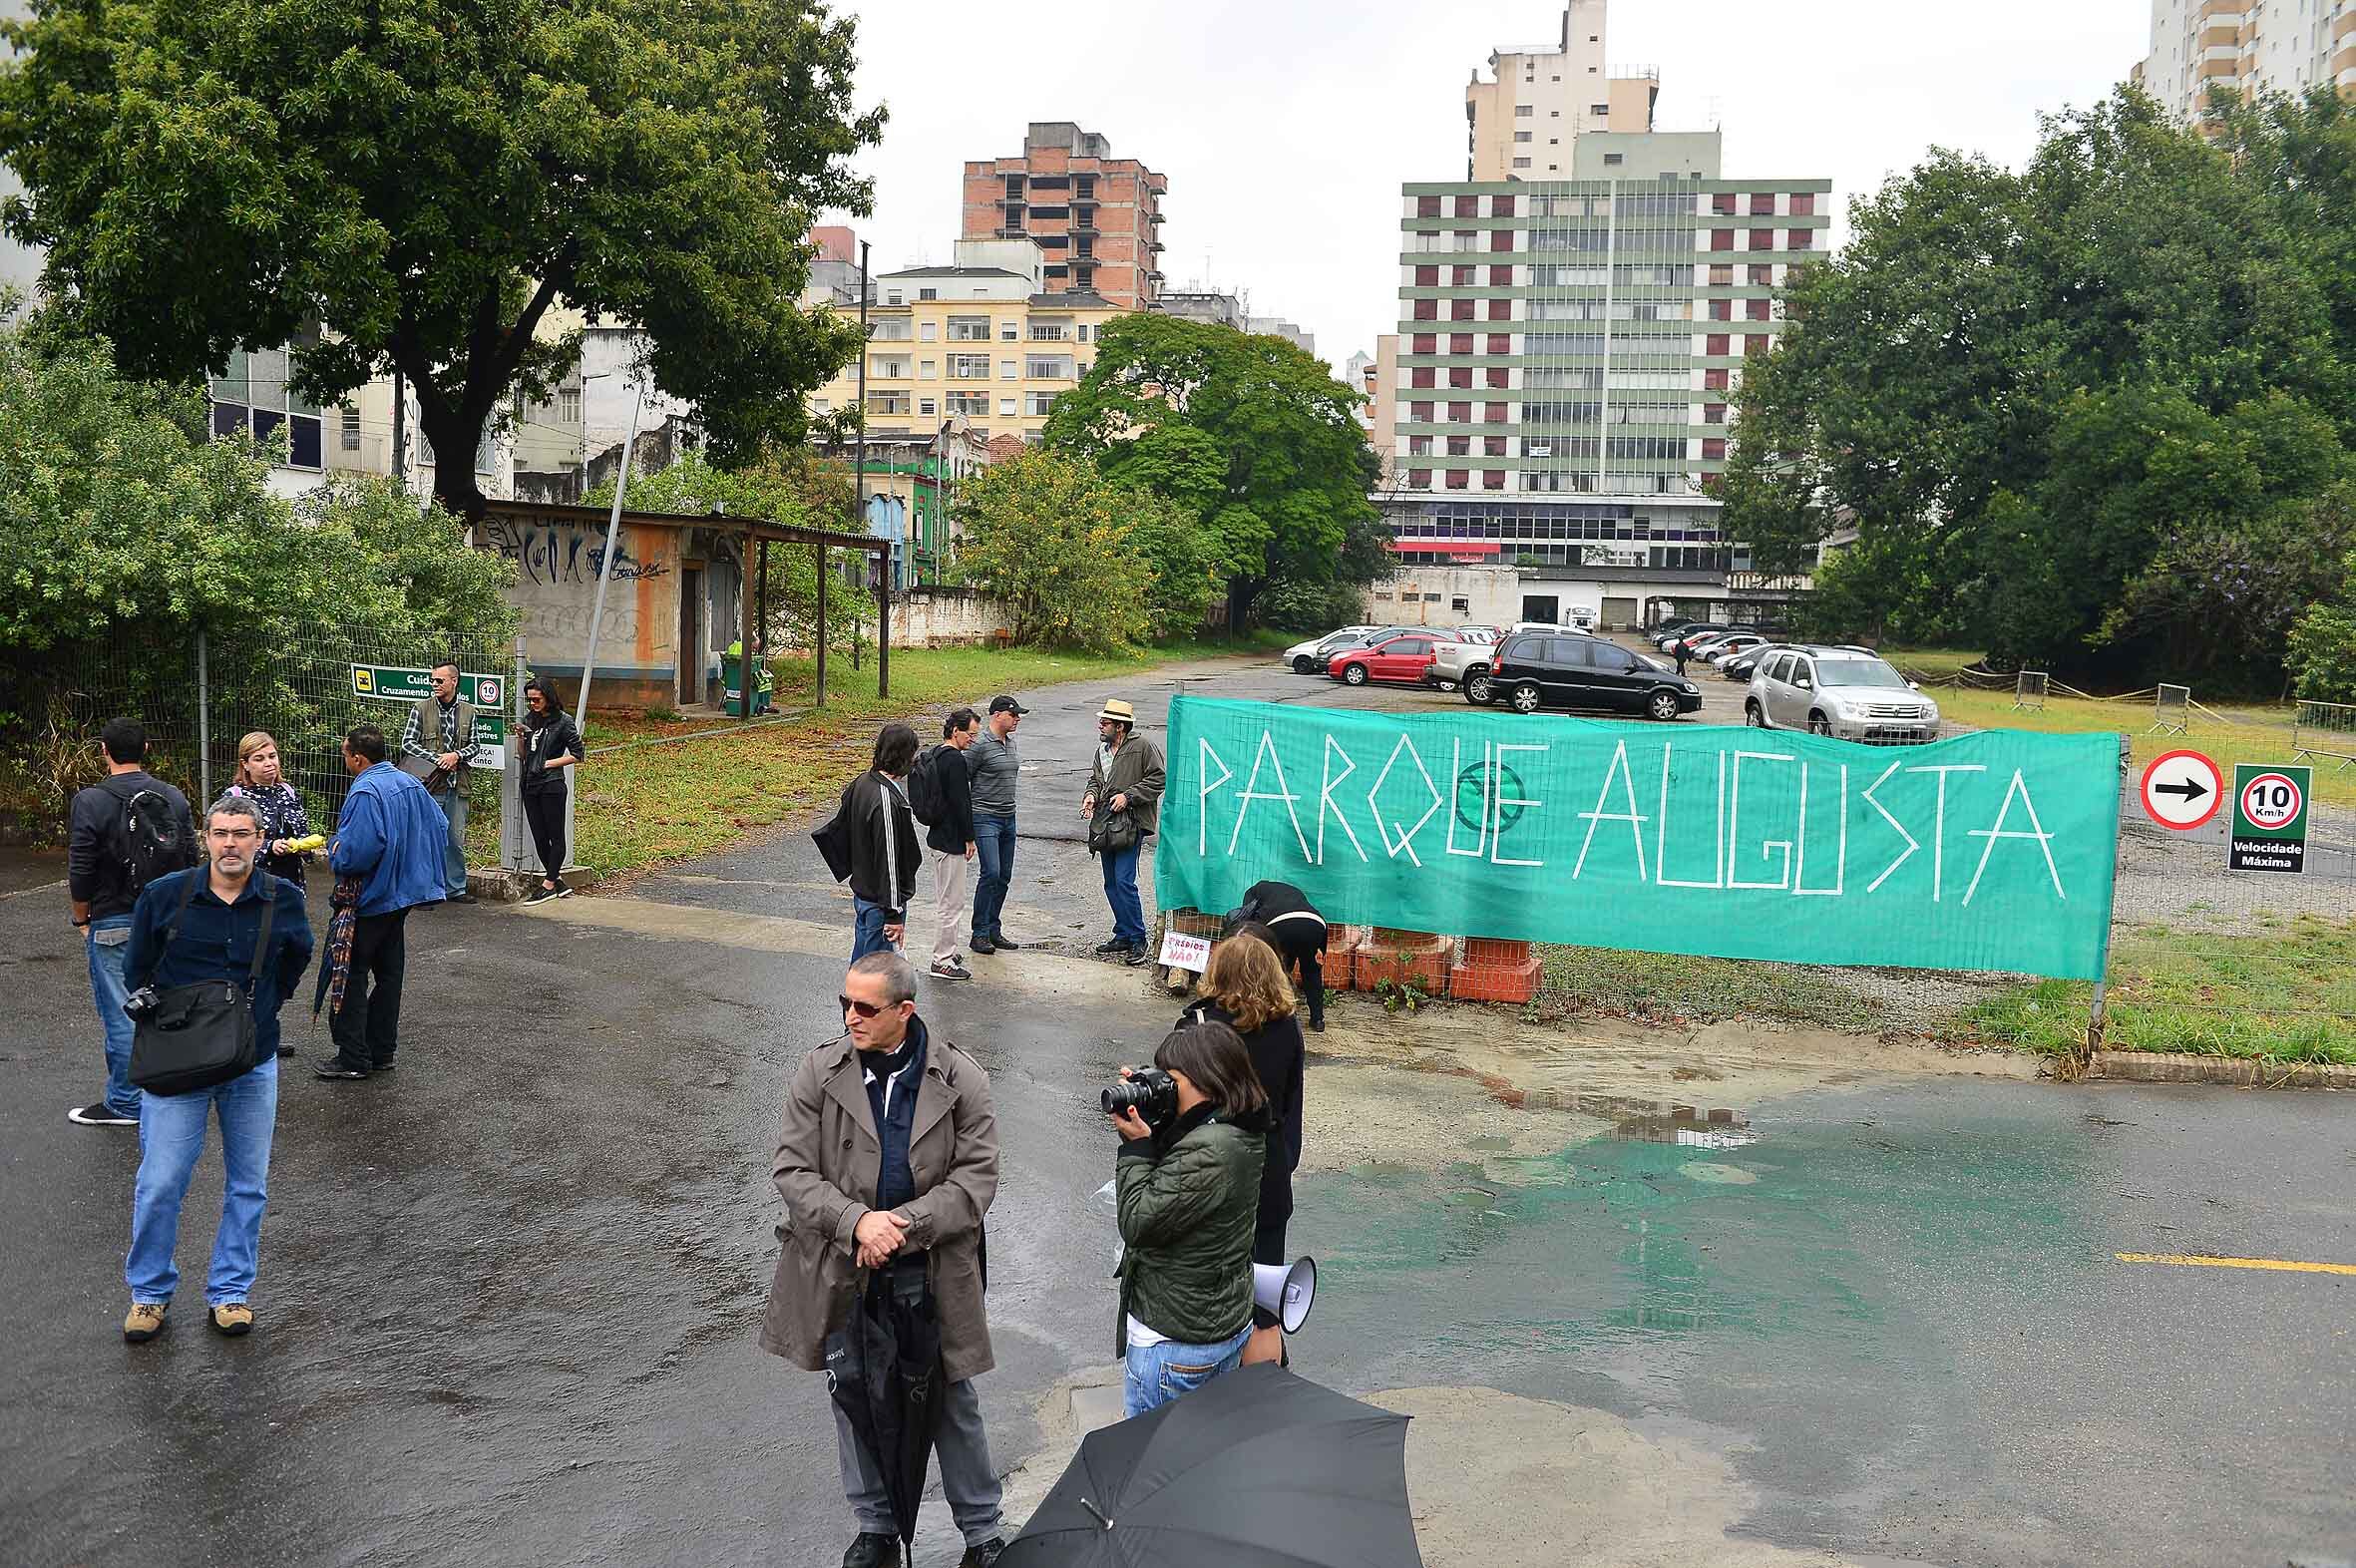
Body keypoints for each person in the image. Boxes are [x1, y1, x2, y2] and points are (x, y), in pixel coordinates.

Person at [763, 952, 1005, 1568]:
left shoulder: (962, 1080)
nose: (851, 1017)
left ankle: (983, 1535)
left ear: (905, 1010)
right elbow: (792, 1170)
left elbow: (976, 1182)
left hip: (930, 1271)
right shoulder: (819, 1073)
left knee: (952, 1400)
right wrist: (856, 1223)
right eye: (845, 1003)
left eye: (865, 1007)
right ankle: (875, 1532)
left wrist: (900, 1226)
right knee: (853, 1392)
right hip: (845, 1268)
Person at [119, 795, 314, 1343]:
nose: (231, 843)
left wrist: (262, 1012)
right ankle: (149, 1294)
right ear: (204, 838)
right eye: (221, 833)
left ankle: (230, 1292)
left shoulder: (284, 900)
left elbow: (297, 957)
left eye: (242, 833)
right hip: (176, 1065)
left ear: (259, 839)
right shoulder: (165, 897)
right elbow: (136, 968)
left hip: (252, 1062)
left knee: (247, 1185)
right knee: (160, 1183)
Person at [1111, 1021, 1269, 1417]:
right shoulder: (1239, 1127)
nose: (1165, 1086)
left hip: (1175, 1344)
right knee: (1195, 1460)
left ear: (1206, 1081)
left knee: (1153, 1469)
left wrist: (1137, 1148)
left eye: (1172, 1080)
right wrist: (1159, 1116)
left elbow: (1139, 1221)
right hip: (1214, 1323)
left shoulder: (1210, 1151)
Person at [1179, 930, 1307, 1368]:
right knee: (1265, 1301)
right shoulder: (1287, 1028)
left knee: (1208, 1287)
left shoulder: (1197, 1027)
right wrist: (1284, 1162)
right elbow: (1293, 1104)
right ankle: (1261, 1393)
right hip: (1269, 1169)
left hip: (1210, 1170)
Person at [66, 717, 196, 1127]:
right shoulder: (173, 796)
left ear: (103, 751)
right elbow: (191, 859)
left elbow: (81, 868)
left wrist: (81, 918)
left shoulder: (90, 800)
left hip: (114, 918)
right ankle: (173, 1088)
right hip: (169, 916)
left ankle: (126, 1103)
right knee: (168, 1001)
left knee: (124, 1011)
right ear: (146, 750)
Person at [317, 724, 448, 1081]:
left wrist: (335, 850)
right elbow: (439, 823)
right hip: (401, 898)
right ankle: (382, 1050)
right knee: (389, 975)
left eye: (345, 754)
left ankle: (353, 1057)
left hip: (370, 898)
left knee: (352, 975)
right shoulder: (408, 782)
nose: (344, 760)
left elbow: (357, 853)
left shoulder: (365, 791)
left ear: (357, 758)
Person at [1081, 698, 1164, 967]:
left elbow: (1158, 778)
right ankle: (1123, 934)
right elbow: (1095, 779)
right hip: (1106, 823)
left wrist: (1128, 797)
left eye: (1105, 722)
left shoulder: (1143, 746)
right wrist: (1091, 796)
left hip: (1131, 822)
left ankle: (1138, 938)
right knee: (1111, 882)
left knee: (1125, 881)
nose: (1100, 726)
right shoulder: (1101, 751)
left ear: (1120, 726)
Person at [400, 658, 482, 905]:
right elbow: (407, 743)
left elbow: (476, 745)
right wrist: (438, 759)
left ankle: (455, 889)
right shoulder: (421, 708)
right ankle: (424, 892)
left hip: (458, 785)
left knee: (455, 839)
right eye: (432, 680)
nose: (434, 684)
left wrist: (456, 755)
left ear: (453, 682)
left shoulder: (469, 711)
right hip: (429, 785)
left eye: (439, 680)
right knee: (426, 838)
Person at [840, 723, 922, 962]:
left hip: (864, 895)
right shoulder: (885, 799)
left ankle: (855, 998)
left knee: (862, 966)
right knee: (878, 975)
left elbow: (842, 829)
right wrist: (894, 913)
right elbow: (889, 859)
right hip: (880, 903)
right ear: (904, 756)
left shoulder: (862, 782)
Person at [964, 696, 1025, 956]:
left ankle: (992, 928)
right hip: (985, 817)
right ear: (998, 715)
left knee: (1004, 876)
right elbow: (962, 778)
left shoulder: (1009, 744)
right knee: (991, 872)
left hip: (1008, 817)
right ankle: (978, 932)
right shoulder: (979, 745)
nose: (1017, 719)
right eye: (1013, 715)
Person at [516, 678, 587, 905]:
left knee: (555, 835)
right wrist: (521, 738)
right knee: (539, 836)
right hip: (530, 782)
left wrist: (549, 763)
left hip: (552, 784)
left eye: (537, 699)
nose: (533, 704)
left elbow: (577, 754)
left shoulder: (563, 721)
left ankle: (548, 884)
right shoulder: (530, 719)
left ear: (548, 697)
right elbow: (525, 755)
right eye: (530, 700)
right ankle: (556, 880)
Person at [924, 708, 981, 982]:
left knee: (944, 898)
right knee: (952, 903)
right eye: (970, 734)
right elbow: (962, 803)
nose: (973, 740)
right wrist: (969, 838)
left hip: (937, 837)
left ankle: (947, 949)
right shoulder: (956, 761)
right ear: (955, 731)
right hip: (951, 841)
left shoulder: (936, 754)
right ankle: (942, 959)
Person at [1235, 879, 1331, 1033]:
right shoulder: (1293, 891)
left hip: (1281, 923)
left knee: (1273, 968)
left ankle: (1273, 1013)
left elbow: (1248, 917)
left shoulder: (1254, 891)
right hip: (1316, 923)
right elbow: (1296, 935)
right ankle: (1317, 1019)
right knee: (1310, 969)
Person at [226, 731, 315, 890]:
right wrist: (269, 846)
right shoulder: (235, 797)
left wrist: (304, 846)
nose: (269, 763)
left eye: (272, 756)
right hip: (252, 886)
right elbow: (230, 842)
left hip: (291, 882)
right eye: (259, 759)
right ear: (245, 764)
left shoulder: (288, 792)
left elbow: (302, 829)